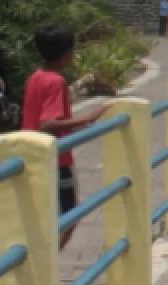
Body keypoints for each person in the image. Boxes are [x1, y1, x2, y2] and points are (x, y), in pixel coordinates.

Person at [22, 23, 109, 249]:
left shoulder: (36, 76)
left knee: (42, 219)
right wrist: (88, 118)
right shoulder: (56, 82)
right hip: (56, 160)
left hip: (31, 155)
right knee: (69, 217)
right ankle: (46, 267)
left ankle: (41, 266)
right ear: (68, 54)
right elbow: (48, 123)